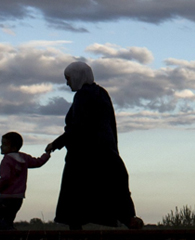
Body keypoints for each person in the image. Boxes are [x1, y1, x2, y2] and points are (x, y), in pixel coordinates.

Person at [46, 61, 144, 230]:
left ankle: (76, 228)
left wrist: (56, 143)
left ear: (77, 77)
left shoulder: (83, 96)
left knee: (77, 192)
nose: (67, 83)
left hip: (85, 155)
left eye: (68, 78)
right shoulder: (101, 93)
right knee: (112, 185)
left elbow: (79, 127)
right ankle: (128, 219)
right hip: (106, 151)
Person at [0, 132, 51, 230]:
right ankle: (12, 237)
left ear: (13, 147)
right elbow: (38, 162)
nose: (1, 147)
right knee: (8, 220)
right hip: (19, 197)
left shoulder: (7, 160)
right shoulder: (24, 158)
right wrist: (47, 154)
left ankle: (12, 233)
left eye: (4, 145)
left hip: (7, 197)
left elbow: (5, 178)